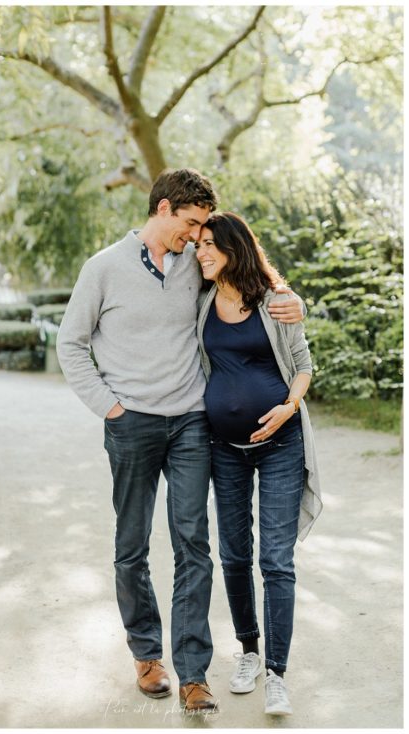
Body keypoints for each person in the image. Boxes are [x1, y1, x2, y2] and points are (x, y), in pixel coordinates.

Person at [56, 168, 304, 713]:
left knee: (195, 544)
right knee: (132, 545)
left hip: (193, 422)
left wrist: (295, 303)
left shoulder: (196, 264)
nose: (196, 236)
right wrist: (112, 409)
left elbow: (252, 279)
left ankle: (193, 673)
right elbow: (70, 345)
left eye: (201, 228)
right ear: (163, 208)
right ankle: (147, 654)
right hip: (132, 424)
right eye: (190, 223)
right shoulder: (102, 269)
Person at [194, 212, 321, 716]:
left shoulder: (275, 304)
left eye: (208, 245)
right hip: (224, 449)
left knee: (276, 560)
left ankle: (277, 673)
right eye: (197, 244)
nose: (200, 252)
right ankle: (248, 651)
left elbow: (305, 365)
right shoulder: (200, 301)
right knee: (233, 555)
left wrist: (287, 407)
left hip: (282, 445)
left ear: (233, 247)